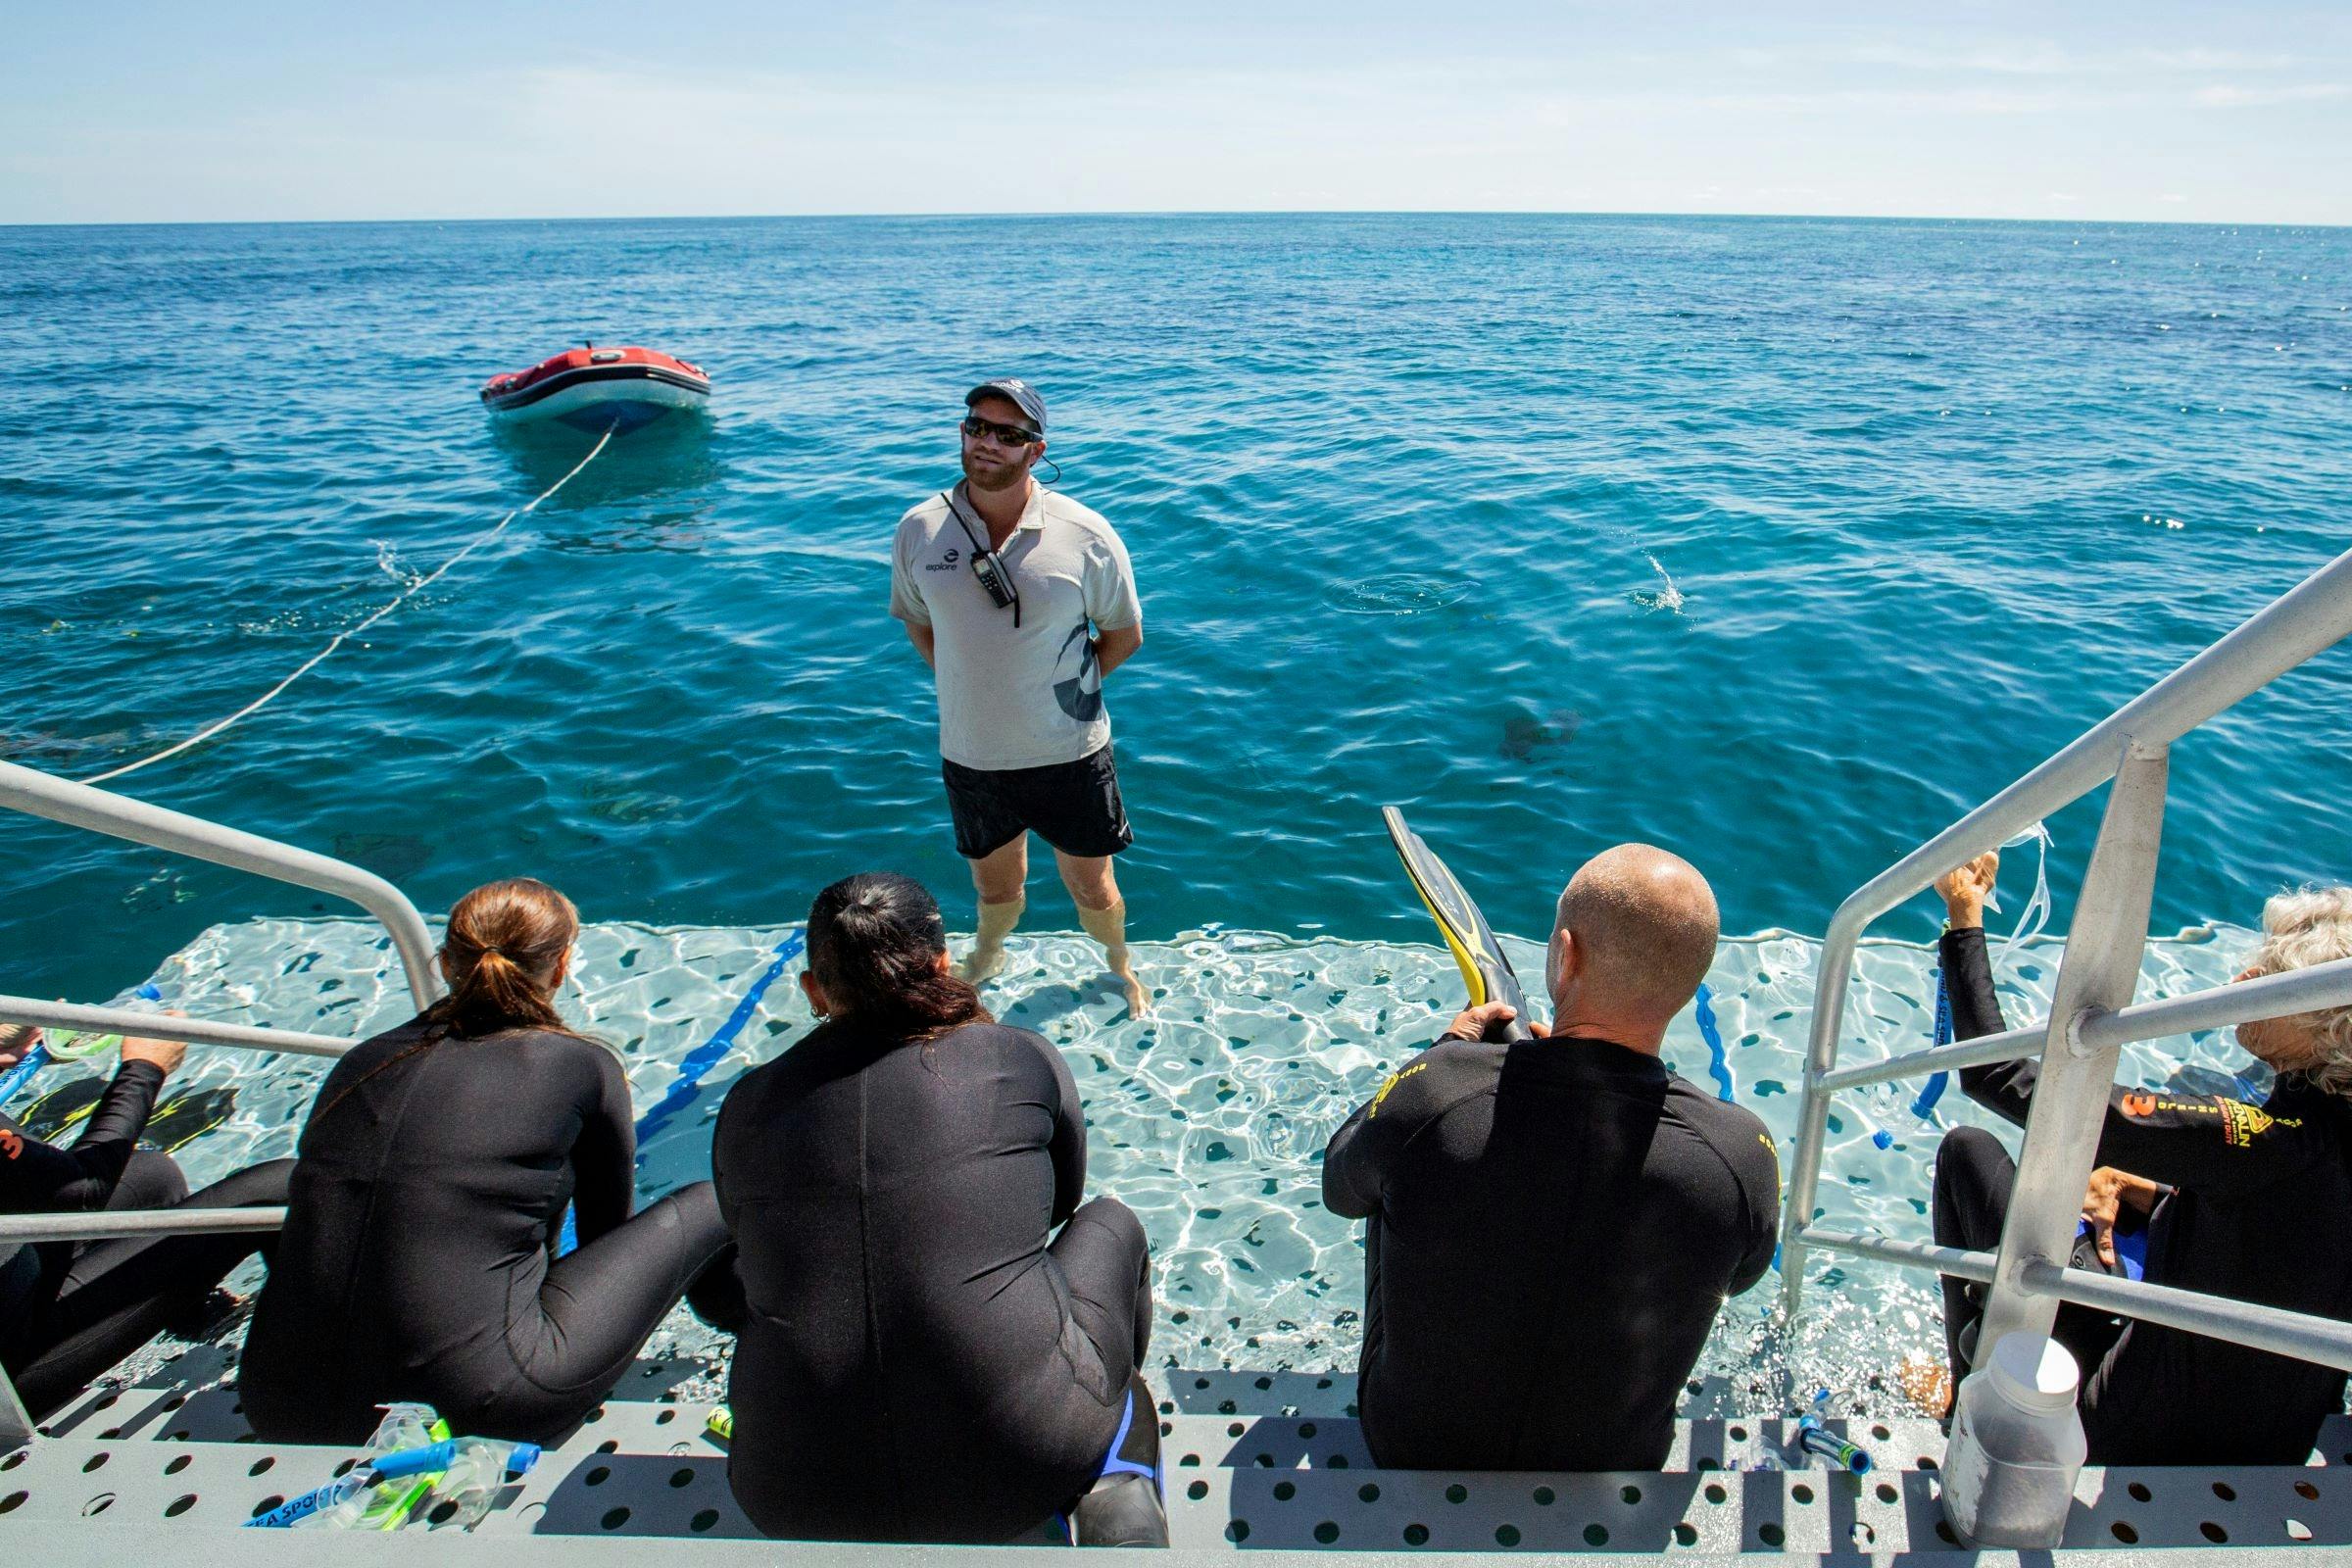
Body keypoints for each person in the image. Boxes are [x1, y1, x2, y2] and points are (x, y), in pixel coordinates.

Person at [713, 872, 1162, 1545]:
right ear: (943, 966)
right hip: (1023, 1469)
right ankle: (1118, 1481)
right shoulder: (1018, 1056)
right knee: (1111, 1224)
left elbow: (744, 1261)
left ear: (813, 989)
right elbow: (1061, 1203)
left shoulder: (747, 1105)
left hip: (789, 1491)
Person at [1323, 845, 1780, 1471]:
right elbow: (1739, 1278)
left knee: (1395, 1162)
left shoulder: (1438, 1091)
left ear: (1565, 956)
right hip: (1617, 1459)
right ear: (1690, 986)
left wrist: (1440, 1059)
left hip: (1409, 1444)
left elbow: (1339, 1189)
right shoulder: (1741, 1154)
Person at [240, 878, 741, 1446]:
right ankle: (745, 1334)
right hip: (475, 1408)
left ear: (444, 961)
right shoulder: (581, 1066)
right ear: (561, 967)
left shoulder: (365, 1060)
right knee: (707, 1204)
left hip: (279, 1400)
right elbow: (606, 1233)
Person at [1927, 856, 2352, 1466]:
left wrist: (1963, 916)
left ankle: (1965, 1410)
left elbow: (2002, 1076)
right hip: (2277, 1444)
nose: (2247, 975)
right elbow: (2280, 1239)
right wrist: (2153, 1188)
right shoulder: (2318, 1146)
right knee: (2100, 1216)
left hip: (2132, 1433)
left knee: (1969, 1154)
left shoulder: (2266, 1141)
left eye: (2275, 979)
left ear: (2330, 1027)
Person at [889, 378, 1149, 1015]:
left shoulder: (1083, 532)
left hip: (1071, 752)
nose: (988, 442)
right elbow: (917, 621)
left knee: (1093, 888)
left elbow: (1124, 634)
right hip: (974, 755)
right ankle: (988, 954)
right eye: (978, 426)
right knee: (995, 887)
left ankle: (1119, 965)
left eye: (1009, 434)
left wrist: (1058, 694)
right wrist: (970, 687)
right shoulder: (920, 529)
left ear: (1036, 450)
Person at [1, 1020, 289, 1416]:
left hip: (19, 1277)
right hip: (13, 1372)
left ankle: (189, 1315)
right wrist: (144, 1067)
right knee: (273, 1192)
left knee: (152, 1177)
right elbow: (82, 1189)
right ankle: (311, 1377)